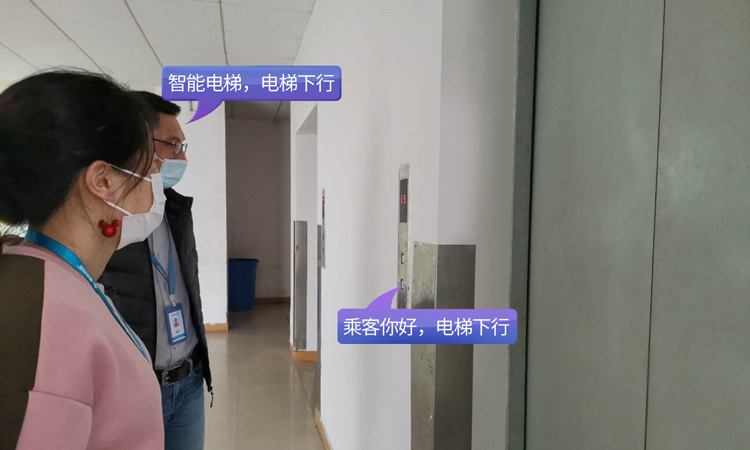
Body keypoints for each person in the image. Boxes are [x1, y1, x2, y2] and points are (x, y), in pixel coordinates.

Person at [0, 70, 164, 449]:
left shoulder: (55, 277)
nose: (156, 180)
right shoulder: (47, 314)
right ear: (103, 180)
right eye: (149, 168)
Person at [99, 92, 212, 450]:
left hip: (189, 381)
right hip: (133, 392)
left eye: (183, 146)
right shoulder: (103, 225)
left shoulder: (175, 210)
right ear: (135, 145)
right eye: (173, 145)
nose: (182, 157)